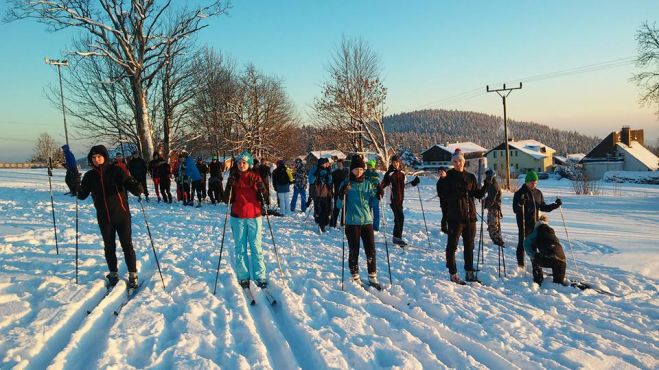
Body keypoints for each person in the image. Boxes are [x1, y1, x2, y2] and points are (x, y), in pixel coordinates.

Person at [76, 145, 143, 288]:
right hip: (104, 218)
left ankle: (133, 274)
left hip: (121, 215)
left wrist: (136, 186)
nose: (96, 160)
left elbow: (135, 189)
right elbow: (81, 195)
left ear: (105, 157)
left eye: (99, 157)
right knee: (109, 246)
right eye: (93, 158)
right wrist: (73, 181)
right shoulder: (89, 176)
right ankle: (113, 274)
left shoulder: (117, 171)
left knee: (127, 245)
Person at [438, 149, 489, 284]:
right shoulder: (448, 176)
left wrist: (488, 183)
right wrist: (443, 181)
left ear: (463, 162)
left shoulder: (470, 177)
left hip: (470, 217)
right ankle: (453, 273)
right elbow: (443, 194)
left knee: (469, 245)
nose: (457, 163)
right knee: (452, 246)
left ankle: (469, 272)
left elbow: (477, 194)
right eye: (455, 161)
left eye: (459, 161)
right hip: (455, 217)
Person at [223, 150, 268, 289]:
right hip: (238, 217)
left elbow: (264, 199)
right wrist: (229, 186)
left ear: (249, 163)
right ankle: (243, 276)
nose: (241, 165)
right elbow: (226, 200)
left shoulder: (255, 177)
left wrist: (263, 189)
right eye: (239, 163)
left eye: (244, 163)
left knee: (256, 247)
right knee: (240, 248)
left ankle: (260, 276)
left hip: (254, 217)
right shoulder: (233, 177)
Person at [338, 155, 381, 289]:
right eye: (356, 169)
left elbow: (372, 202)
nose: (359, 172)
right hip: (352, 222)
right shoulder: (347, 184)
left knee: (371, 250)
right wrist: (341, 194)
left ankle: (372, 275)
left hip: (367, 221)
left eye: (361, 169)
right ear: (351, 170)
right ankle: (355, 274)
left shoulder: (367, 183)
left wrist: (378, 194)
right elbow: (339, 205)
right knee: (354, 250)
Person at [512, 170, 562, 270]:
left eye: (535, 182)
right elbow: (515, 209)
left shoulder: (538, 193)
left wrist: (555, 205)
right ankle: (520, 264)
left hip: (535, 223)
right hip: (524, 222)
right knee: (522, 243)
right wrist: (520, 203)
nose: (534, 184)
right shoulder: (519, 193)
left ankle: (535, 263)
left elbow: (543, 207)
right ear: (527, 181)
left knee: (534, 244)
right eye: (532, 182)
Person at [379, 154, 419, 246]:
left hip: (400, 199)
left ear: (399, 162)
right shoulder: (389, 173)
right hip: (392, 199)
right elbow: (382, 184)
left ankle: (397, 237)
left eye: (397, 162)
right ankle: (397, 238)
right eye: (393, 162)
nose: (395, 164)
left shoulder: (403, 174)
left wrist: (413, 183)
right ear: (392, 163)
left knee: (399, 218)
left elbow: (404, 186)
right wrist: (380, 190)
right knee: (400, 217)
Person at [523, 215, 567, 286]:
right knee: (558, 284)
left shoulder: (537, 230)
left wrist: (532, 254)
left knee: (535, 259)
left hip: (550, 258)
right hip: (562, 260)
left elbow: (525, 243)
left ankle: (538, 280)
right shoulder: (551, 232)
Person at [483, 169, 505, 247]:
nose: (486, 178)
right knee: (494, 226)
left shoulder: (493, 185)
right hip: (494, 208)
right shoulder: (492, 184)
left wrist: (485, 204)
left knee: (493, 226)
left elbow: (492, 199)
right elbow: (490, 197)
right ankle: (497, 240)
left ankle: (498, 242)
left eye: (487, 176)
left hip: (494, 209)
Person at [312, 158, 334, 232]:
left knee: (326, 209)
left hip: (327, 193)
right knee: (320, 210)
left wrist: (330, 174)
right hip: (319, 193)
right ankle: (321, 225)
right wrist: (316, 174)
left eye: (328, 163)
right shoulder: (316, 169)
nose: (328, 165)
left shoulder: (328, 170)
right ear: (322, 164)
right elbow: (311, 180)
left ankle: (324, 222)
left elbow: (330, 181)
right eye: (326, 163)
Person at [330, 159, 349, 228]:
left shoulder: (347, 171)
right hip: (337, 192)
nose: (338, 165)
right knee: (336, 208)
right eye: (337, 164)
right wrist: (331, 190)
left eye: (340, 164)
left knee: (345, 208)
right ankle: (333, 223)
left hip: (345, 192)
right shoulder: (334, 173)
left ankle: (343, 223)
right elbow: (331, 182)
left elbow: (349, 181)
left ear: (343, 164)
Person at [364, 160, 382, 232]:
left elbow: (377, 184)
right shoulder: (364, 174)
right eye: (368, 165)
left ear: (373, 165)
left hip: (374, 196)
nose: (369, 166)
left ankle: (376, 227)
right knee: (367, 212)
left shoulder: (376, 174)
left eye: (370, 165)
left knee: (376, 213)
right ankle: (368, 226)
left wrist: (379, 191)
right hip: (366, 196)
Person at [435, 166, 449, 234]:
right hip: (444, 202)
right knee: (445, 215)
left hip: (452, 202)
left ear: (445, 172)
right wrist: (444, 195)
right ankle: (444, 229)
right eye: (439, 172)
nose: (440, 173)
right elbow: (439, 193)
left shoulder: (450, 179)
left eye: (442, 171)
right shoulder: (439, 182)